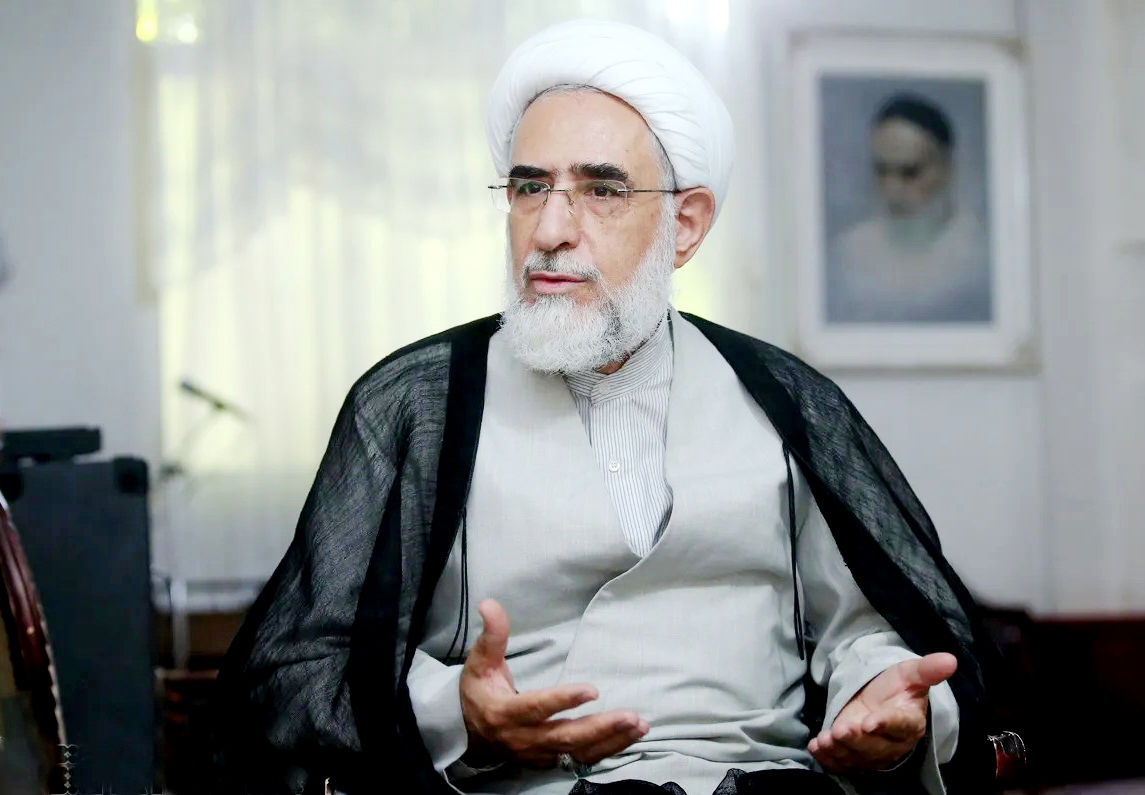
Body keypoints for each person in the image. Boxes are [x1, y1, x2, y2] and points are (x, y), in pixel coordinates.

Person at [215, 21, 997, 795]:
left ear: (684, 225)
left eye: (602, 190)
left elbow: (865, 626)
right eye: (530, 188)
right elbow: (295, 670)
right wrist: (458, 711)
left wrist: (885, 694)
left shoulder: (784, 399)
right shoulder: (416, 403)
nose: (551, 230)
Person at [827, 93, 991, 324]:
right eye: (882, 171)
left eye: (910, 172)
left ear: (947, 168)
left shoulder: (979, 252)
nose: (892, 189)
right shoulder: (850, 253)